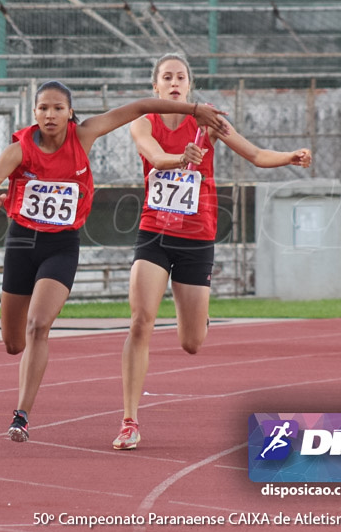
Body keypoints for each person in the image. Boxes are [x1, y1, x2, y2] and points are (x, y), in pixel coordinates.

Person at [0, 80, 228, 442]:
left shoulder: (84, 135)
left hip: (61, 245)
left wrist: (193, 110)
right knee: (13, 342)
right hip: (22, 243)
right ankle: (23, 380)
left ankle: (21, 416)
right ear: (34, 113)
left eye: (58, 108)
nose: (50, 115)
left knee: (38, 325)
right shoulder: (20, 149)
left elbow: (138, 108)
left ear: (70, 113)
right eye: (43, 108)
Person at [112, 53, 312, 450]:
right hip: (155, 232)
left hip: (197, 236)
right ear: (155, 86)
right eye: (166, 77)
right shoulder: (142, 121)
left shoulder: (209, 121)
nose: (173, 83)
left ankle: (200, 317)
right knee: (140, 322)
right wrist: (178, 159)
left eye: (180, 77)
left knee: (191, 342)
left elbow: (254, 154)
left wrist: (289, 157)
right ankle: (129, 419)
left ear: (189, 85)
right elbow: (153, 155)